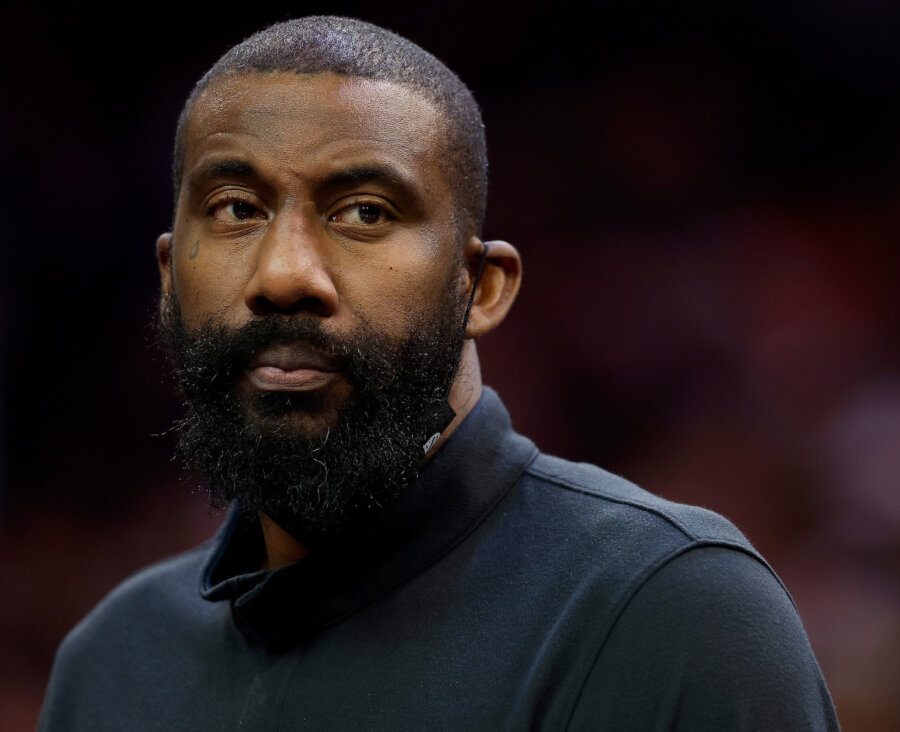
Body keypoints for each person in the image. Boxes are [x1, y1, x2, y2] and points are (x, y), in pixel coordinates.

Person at [38, 16, 838, 731]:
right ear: (172, 277)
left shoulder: (664, 615)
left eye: (365, 212)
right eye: (237, 208)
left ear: (480, 288)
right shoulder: (114, 659)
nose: (284, 274)